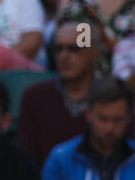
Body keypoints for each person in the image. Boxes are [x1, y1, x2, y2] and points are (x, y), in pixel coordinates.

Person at [16, 22, 99, 168]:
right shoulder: (34, 97)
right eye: (59, 49)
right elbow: (25, 162)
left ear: (94, 52)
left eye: (74, 49)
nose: (64, 56)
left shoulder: (113, 99)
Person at [42, 76, 135, 180]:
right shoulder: (60, 159)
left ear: (129, 118)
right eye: (103, 119)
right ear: (88, 114)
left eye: (117, 120)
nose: (109, 128)